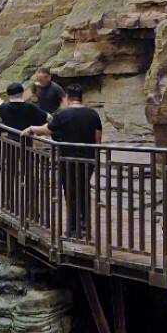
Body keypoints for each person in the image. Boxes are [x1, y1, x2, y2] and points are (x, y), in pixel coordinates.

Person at [28, 84, 102, 236]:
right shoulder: (93, 114)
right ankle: (85, 225)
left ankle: (73, 227)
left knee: (70, 192)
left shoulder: (63, 114)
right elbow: (98, 137)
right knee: (83, 189)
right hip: (88, 158)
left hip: (67, 158)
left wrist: (32, 129)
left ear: (68, 98)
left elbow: (49, 129)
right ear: (82, 97)